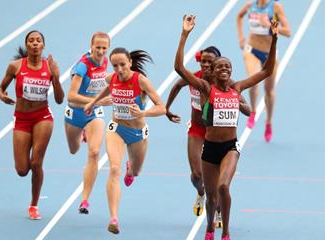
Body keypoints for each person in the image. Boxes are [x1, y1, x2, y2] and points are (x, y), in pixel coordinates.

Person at [174, 15, 277, 240]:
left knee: (223, 188)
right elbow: (179, 68)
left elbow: (266, 71)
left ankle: (226, 232)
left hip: (230, 147)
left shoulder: (236, 88)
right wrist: (184, 34)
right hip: (209, 148)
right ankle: (210, 227)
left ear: (230, 71)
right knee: (211, 198)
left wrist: (274, 39)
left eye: (227, 67)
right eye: (219, 66)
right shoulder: (205, 88)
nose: (223, 69)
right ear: (213, 71)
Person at [166, 47, 250, 227]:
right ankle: (200, 192)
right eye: (202, 61)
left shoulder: (228, 83)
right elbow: (177, 85)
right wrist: (167, 108)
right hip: (197, 129)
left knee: (221, 182)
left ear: (215, 66)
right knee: (197, 175)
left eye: (209, 62)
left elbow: (246, 107)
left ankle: (219, 211)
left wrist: (240, 104)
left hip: (218, 136)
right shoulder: (195, 78)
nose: (204, 65)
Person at [84, 48, 166, 234]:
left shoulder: (141, 81)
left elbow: (162, 108)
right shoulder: (112, 78)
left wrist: (143, 112)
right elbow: (108, 87)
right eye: (115, 66)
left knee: (135, 172)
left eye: (122, 64)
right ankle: (114, 218)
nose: (119, 69)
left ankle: (131, 169)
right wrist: (93, 102)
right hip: (117, 129)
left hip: (138, 133)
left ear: (130, 62)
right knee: (113, 169)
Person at [0, 30, 64, 220]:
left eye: (38, 40)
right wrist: (2, 95)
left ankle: (34, 205)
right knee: (22, 170)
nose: (35, 43)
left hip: (43, 117)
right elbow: (0, 88)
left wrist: (57, 78)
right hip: (22, 118)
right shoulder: (15, 66)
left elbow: (59, 100)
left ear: (43, 45)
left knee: (36, 163)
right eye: (31, 41)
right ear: (27, 46)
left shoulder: (49, 68)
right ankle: (32, 198)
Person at [64, 32, 112, 215]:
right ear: (91, 46)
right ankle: (82, 133)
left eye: (104, 48)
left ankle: (85, 200)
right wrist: (98, 101)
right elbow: (71, 95)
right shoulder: (83, 67)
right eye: (97, 48)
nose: (100, 51)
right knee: (74, 149)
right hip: (75, 112)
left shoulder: (106, 62)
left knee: (94, 153)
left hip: (93, 114)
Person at [237, 0, 291, 141]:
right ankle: (253, 111)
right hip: (252, 50)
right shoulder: (250, 5)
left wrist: (268, 24)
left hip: (269, 55)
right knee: (253, 80)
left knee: (269, 91)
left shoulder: (275, 7)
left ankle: (268, 121)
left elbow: (288, 31)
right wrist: (241, 37)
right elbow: (239, 16)